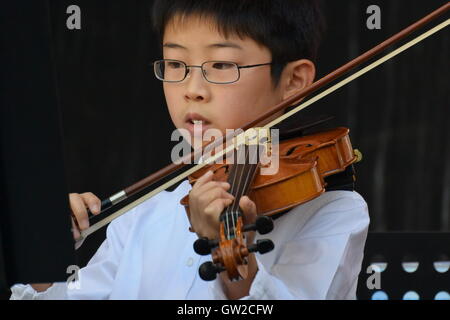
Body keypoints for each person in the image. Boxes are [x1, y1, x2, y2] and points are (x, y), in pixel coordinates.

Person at [10, 0, 369, 300]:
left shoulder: (333, 212)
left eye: (222, 65)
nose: (192, 89)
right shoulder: (142, 216)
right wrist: (46, 254)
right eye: (176, 65)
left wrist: (229, 249)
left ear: (293, 80)